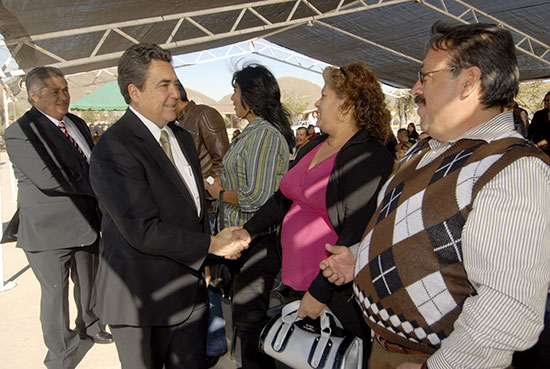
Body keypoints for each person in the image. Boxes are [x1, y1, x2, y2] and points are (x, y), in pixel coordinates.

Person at [320, 21, 550, 369]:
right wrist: (360, 256)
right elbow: (415, 230)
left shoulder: (515, 169)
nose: (415, 88)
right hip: (385, 350)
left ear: (470, 82)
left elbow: (507, 306)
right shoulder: (427, 151)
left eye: (425, 76)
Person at [89, 43, 246, 369]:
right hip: (142, 302)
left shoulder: (182, 137)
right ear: (134, 91)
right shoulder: (114, 148)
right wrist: (212, 245)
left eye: (175, 83)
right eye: (164, 85)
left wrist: (204, 260)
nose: (176, 93)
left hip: (189, 297)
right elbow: (141, 230)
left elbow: (193, 208)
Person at [233, 61, 395, 366]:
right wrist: (248, 231)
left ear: (346, 106)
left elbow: (354, 235)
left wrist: (319, 293)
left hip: (333, 293)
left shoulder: (369, 156)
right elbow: (283, 200)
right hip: (295, 283)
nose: (316, 104)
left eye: (324, 96)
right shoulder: (315, 145)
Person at [4, 66, 113, 369]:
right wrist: (105, 186)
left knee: (89, 285)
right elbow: (50, 177)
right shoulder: (20, 132)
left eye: (65, 89)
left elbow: (94, 161)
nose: (64, 96)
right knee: (55, 295)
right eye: (55, 91)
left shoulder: (76, 122)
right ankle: (62, 352)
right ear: (33, 96)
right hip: (48, 232)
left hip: (86, 223)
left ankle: (90, 326)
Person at [204, 63, 294, 369]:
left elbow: (256, 197)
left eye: (235, 91)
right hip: (242, 242)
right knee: (245, 319)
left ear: (250, 96)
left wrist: (218, 193)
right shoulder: (253, 133)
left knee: (250, 321)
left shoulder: (265, 136)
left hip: (256, 242)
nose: (231, 98)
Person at [175, 80, 231, 367]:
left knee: (209, 279)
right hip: (189, 209)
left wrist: (210, 189)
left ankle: (215, 342)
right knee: (199, 277)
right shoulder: (174, 122)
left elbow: (224, 161)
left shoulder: (204, 115)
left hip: (207, 208)